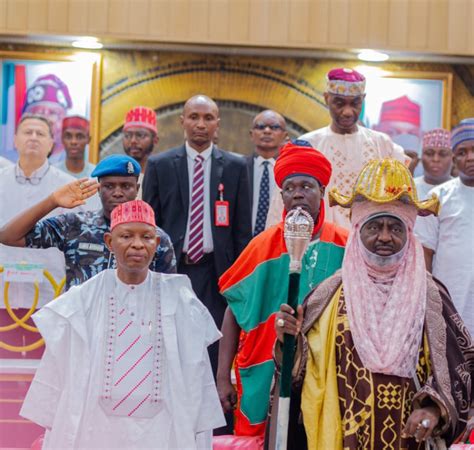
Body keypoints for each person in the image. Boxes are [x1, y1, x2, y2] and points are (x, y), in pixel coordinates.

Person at [274, 158, 473, 449]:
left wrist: (432, 408)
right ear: (356, 232)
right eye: (373, 227)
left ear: (409, 233)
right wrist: (288, 342)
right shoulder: (327, 295)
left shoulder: (431, 295)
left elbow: (463, 367)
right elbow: (299, 380)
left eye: (395, 227)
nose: (384, 237)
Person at [20, 200, 225, 449]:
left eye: (147, 237)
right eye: (126, 236)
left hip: (161, 430)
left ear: (157, 244)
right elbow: (59, 365)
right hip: (95, 428)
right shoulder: (83, 300)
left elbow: (196, 372)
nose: (137, 244)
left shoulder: (180, 299)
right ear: (109, 241)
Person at [217, 141, 348, 437]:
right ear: (282, 196)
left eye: (307, 186)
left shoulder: (344, 244)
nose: (298, 194)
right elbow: (233, 310)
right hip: (267, 367)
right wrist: (222, 376)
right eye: (290, 188)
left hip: (326, 371)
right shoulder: (262, 245)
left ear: (322, 192)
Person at [143, 94, 252, 378]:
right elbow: (149, 227)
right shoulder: (160, 165)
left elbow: (242, 231)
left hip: (217, 273)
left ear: (218, 124)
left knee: (214, 345)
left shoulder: (236, 167)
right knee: (171, 342)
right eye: (194, 117)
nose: (200, 124)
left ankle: (214, 415)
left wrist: (240, 282)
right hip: (173, 270)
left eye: (207, 118)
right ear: (182, 122)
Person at [0, 154, 176, 291]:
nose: (117, 193)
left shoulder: (153, 238)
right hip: (81, 327)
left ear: (137, 189)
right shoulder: (75, 226)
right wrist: (52, 201)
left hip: (133, 329)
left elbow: (168, 294)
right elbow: (9, 236)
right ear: (98, 189)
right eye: (109, 186)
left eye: (125, 186)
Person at [266, 67, 408, 230]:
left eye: (355, 103)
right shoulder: (308, 144)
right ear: (327, 98)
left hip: (371, 243)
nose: (347, 111)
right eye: (339, 103)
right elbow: (283, 203)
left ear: (363, 99)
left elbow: (399, 200)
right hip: (321, 243)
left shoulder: (382, 144)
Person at [0, 114, 89, 357]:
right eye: (27, 132)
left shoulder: (68, 188)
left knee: (45, 368)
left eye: (40, 134)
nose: (33, 138)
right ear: (15, 140)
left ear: (51, 144)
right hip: (2, 296)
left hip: (51, 296)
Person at [415, 118, 474, 336]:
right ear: (455, 158)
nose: (470, 158)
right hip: (450, 305)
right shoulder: (438, 197)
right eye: (462, 152)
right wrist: (427, 302)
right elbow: (425, 254)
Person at [246, 110, 288, 236]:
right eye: (260, 127)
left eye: (275, 127)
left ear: (285, 135)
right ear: (251, 134)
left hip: (278, 241)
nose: (267, 131)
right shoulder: (238, 168)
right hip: (242, 245)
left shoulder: (289, 172)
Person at [22, 74, 72, 162]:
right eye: (39, 112)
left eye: (54, 113)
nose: (47, 119)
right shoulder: (9, 163)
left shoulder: (73, 162)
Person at [123, 106, 159, 199]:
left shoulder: (162, 176)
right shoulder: (115, 175)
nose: (133, 141)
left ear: (155, 140)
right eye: (128, 135)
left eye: (140, 135)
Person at [414, 128, 453, 198]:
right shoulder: (409, 190)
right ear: (421, 157)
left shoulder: (462, 190)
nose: (436, 159)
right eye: (429, 153)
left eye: (443, 154)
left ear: (453, 158)